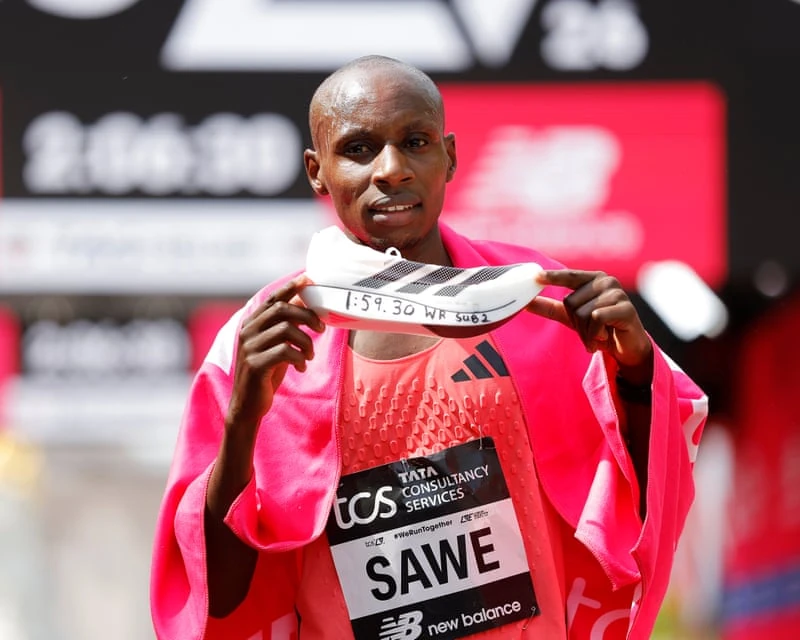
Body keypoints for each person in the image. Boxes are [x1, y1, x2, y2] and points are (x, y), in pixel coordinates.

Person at [150, 55, 707, 640]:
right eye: (359, 149)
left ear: (450, 156)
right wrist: (243, 419)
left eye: (415, 142)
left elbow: (645, 501)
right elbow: (219, 595)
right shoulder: (264, 338)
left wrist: (635, 373)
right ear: (317, 171)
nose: (391, 170)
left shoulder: (539, 300)